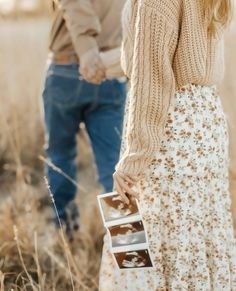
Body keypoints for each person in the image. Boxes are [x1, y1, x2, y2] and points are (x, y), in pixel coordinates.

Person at [99, 0, 236, 289]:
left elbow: (153, 81)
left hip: (169, 127)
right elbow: (172, 52)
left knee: (151, 238)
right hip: (205, 124)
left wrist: (132, 162)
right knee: (195, 238)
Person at [42, 0, 126, 234]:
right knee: (115, 164)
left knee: (60, 156)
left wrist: (88, 50)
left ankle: (65, 232)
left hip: (69, 68)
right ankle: (128, 247)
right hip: (111, 69)